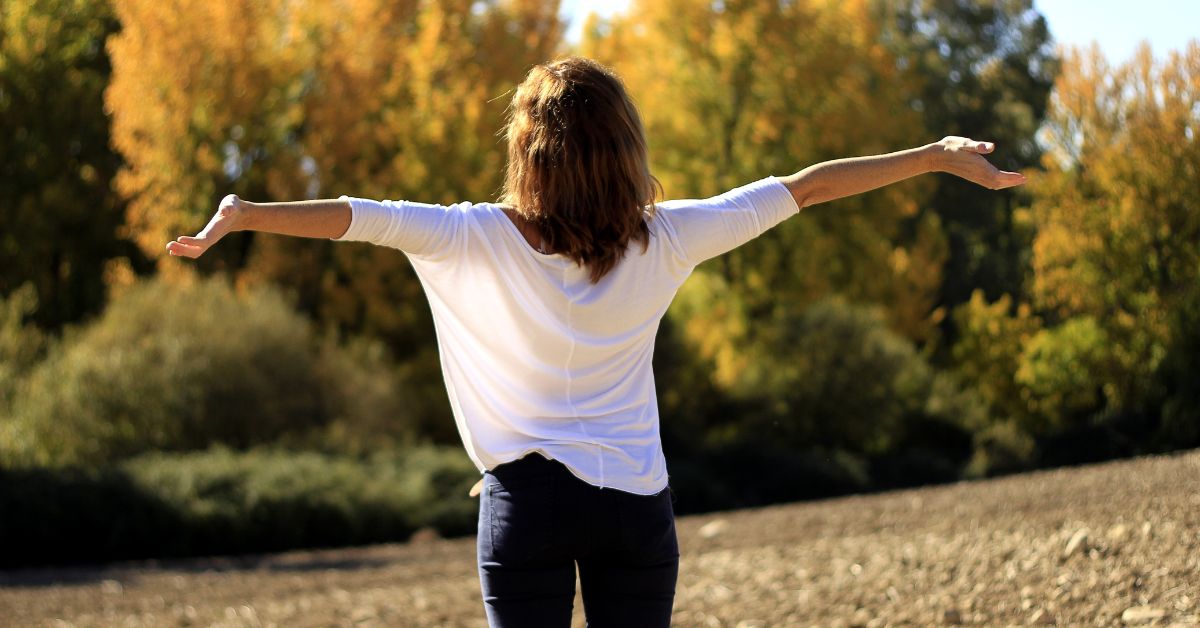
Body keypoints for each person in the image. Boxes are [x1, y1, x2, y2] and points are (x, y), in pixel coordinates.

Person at [166, 56, 1024, 627]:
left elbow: (354, 216)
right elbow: (804, 188)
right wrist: (934, 156)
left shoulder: (470, 235)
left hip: (525, 510)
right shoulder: (671, 236)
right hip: (635, 508)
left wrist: (244, 218)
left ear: (526, 153)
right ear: (625, 150)